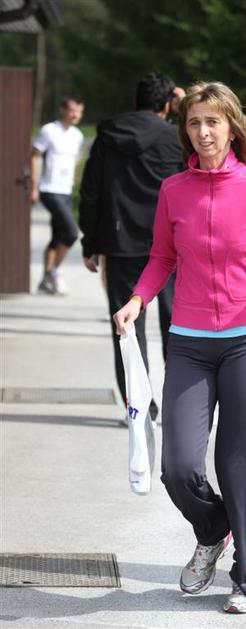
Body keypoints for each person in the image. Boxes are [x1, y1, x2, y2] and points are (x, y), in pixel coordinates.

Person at [113, 81, 246, 614]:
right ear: (185, 129)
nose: (203, 132)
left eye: (213, 122)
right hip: (189, 341)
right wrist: (137, 299)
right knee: (178, 465)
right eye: (194, 122)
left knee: (239, 462)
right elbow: (162, 257)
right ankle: (213, 528)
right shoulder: (173, 190)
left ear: (231, 128)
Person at [78, 72, 184, 420]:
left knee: (127, 325)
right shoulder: (175, 138)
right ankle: (181, 404)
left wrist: (90, 242)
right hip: (171, 246)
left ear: (135, 101)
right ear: (167, 105)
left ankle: (139, 406)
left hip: (121, 242)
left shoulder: (109, 135)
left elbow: (91, 190)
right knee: (177, 324)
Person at [31, 95, 84, 295]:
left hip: (66, 190)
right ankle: (54, 272)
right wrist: (34, 187)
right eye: (72, 110)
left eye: (79, 111)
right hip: (49, 188)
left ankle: (45, 280)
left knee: (57, 236)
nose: (76, 115)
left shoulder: (77, 135)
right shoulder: (49, 130)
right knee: (71, 232)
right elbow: (34, 156)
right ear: (62, 110)